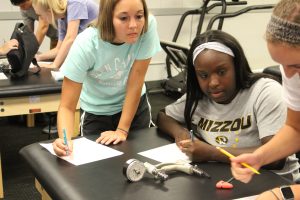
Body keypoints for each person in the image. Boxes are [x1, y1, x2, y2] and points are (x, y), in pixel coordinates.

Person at [156, 29, 300, 182]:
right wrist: (180, 133)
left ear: (237, 66)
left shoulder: (265, 92)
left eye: (222, 71)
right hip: (227, 178)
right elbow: (162, 116)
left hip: (275, 182)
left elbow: (275, 159)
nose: (213, 83)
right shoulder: (199, 98)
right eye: (203, 75)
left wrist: (212, 153)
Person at [52, 0, 161, 156]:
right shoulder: (86, 44)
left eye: (139, 16)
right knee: (96, 173)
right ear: (107, 17)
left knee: (142, 164)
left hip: (134, 108)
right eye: (123, 18)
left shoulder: (147, 26)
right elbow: (67, 107)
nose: (133, 25)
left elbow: (136, 81)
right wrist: (65, 140)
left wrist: (122, 130)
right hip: (96, 112)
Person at [230, 0, 300, 198]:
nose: (289, 74)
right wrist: (260, 156)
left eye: (296, 65)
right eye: (281, 65)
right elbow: (296, 128)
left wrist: (283, 195)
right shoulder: (292, 68)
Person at [32, 0, 99, 68]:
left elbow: (70, 38)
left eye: (39, 15)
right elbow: (58, 49)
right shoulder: (61, 17)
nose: (40, 18)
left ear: (49, 12)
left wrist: (54, 65)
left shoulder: (75, 3)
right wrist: (38, 57)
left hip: (101, 47)